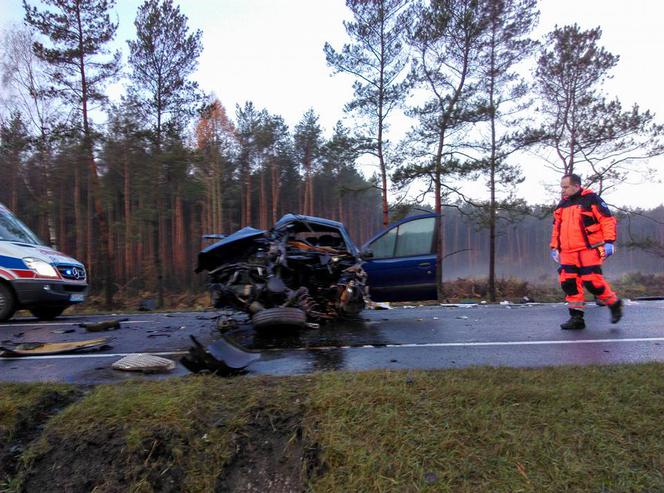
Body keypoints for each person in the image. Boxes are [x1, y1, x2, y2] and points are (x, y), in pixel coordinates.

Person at [550, 173, 623, 329]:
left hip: (588, 249)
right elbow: (556, 227)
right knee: (569, 283)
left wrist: (609, 242)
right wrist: (554, 247)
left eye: (565, 187)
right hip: (567, 252)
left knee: (592, 282)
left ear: (576, 186)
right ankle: (576, 318)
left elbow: (607, 221)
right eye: (561, 187)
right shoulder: (562, 205)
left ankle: (614, 303)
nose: (562, 190)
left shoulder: (592, 199)